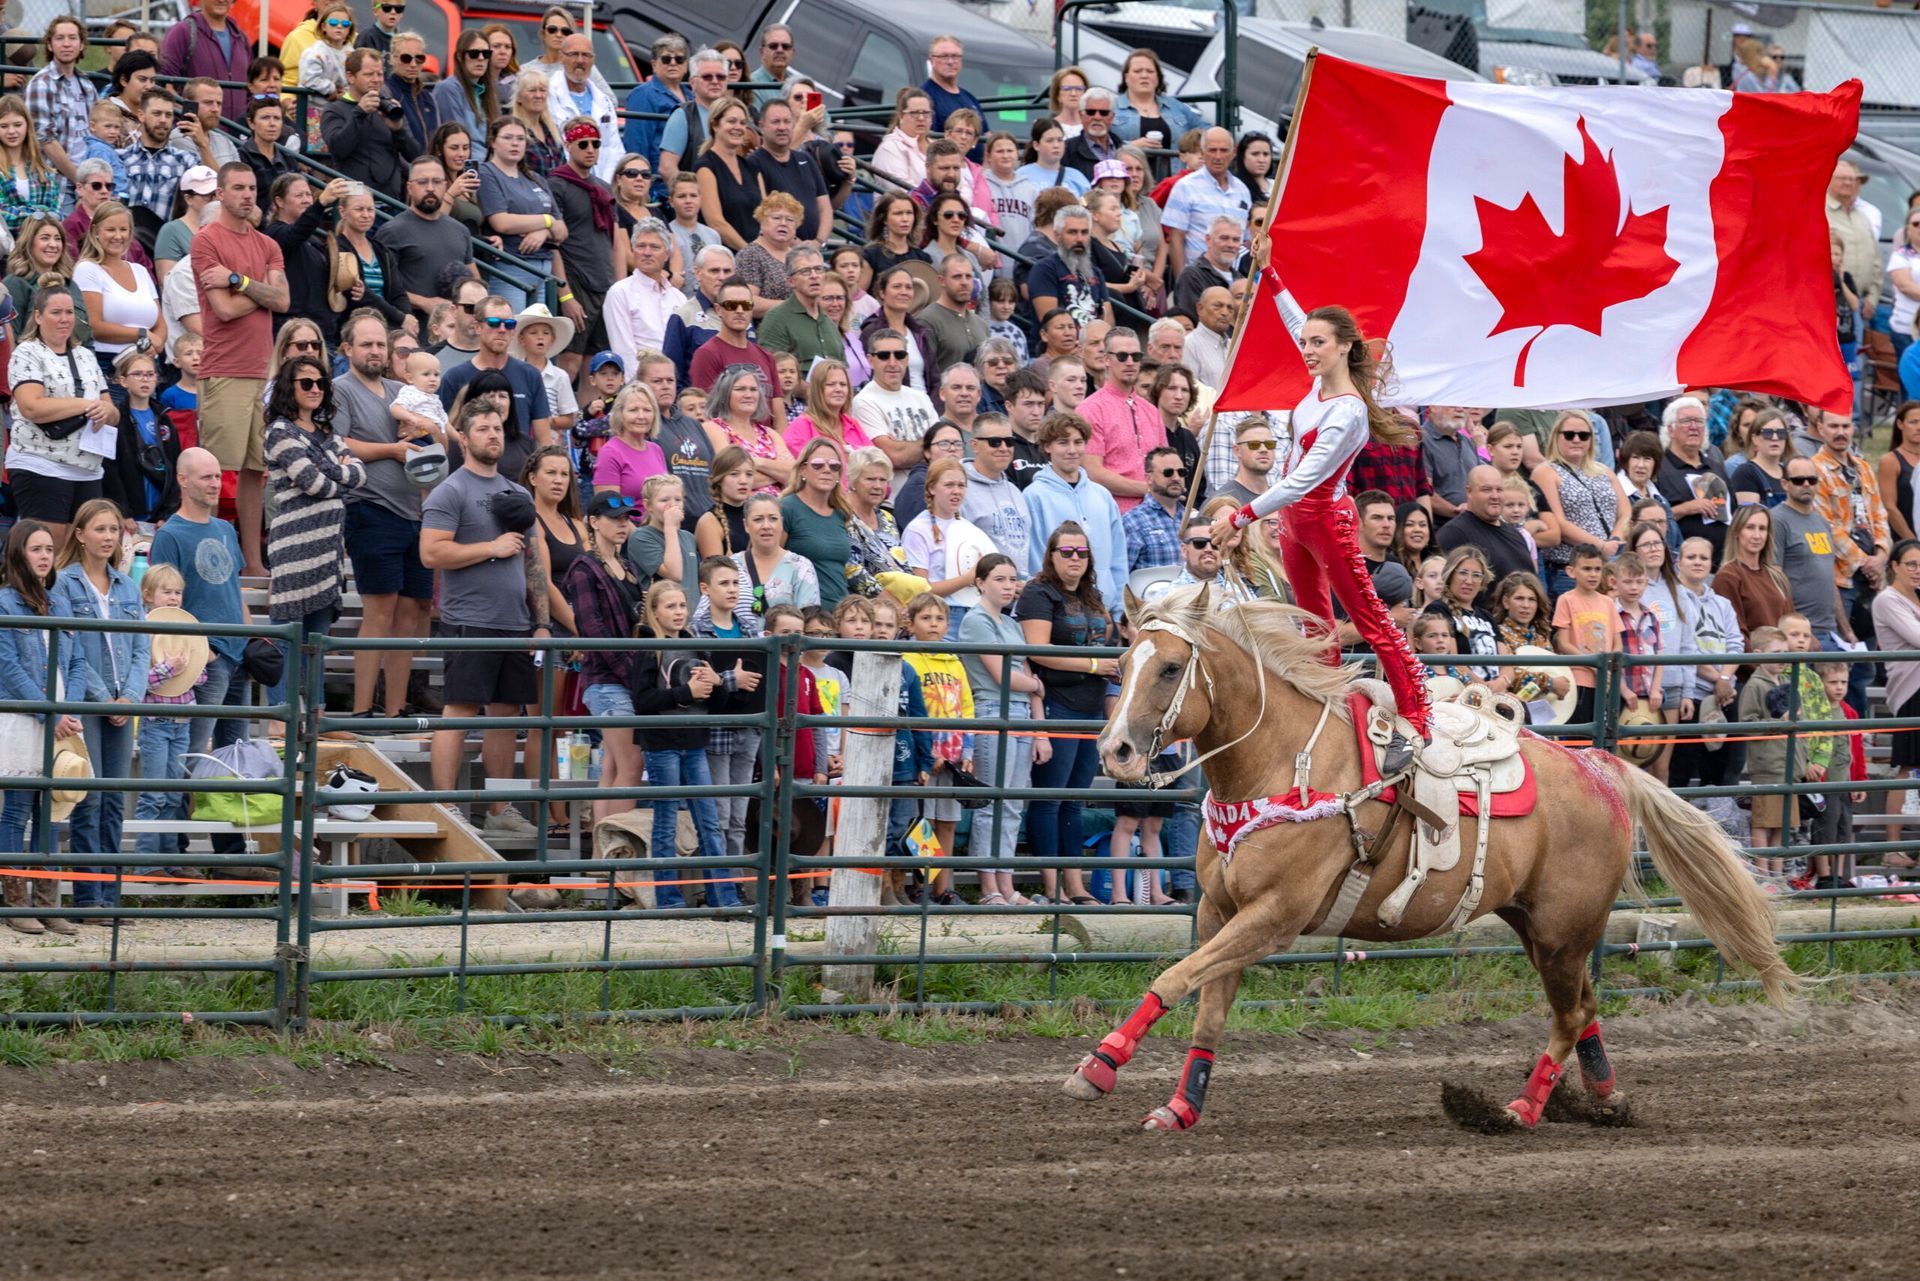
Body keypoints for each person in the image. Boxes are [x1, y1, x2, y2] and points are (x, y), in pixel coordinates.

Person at [1207, 292, 1430, 745]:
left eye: (1318, 343)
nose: (1307, 350)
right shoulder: (1318, 384)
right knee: (1313, 623)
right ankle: (1328, 705)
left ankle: (1418, 713)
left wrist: (1239, 518)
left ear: (1344, 346)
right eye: (1305, 342)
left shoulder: (1347, 410)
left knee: (1372, 620)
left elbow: (1300, 482)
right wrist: (1271, 277)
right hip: (1295, 522)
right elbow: (1296, 321)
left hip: (1327, 519)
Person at [421, 400, 550, 837]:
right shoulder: (450, 491)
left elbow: (533, 563)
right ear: (464, 437)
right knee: (458, 711)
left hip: (515, 622)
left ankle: (499, 808)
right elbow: (431, 552)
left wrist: (543, 622)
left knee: (506, 717)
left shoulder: (519, 494)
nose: (493, 435)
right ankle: (443, 806)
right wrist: (489, 548)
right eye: (483, 429)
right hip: (469, 619)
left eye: (498, 428)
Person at [48, 500, 147, 919]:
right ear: (80, 534)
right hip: (86, 702)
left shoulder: (126, 586)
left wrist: (131, 696)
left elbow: (143, 644)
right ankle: (89, 897)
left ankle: (111, 893)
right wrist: (102, 695)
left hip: (123, 701)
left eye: (114, 530)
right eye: (100, 529)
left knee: (113, 799)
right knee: (89, 797)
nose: (108, 537)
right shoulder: (64, 584)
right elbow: (68, 647)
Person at [335, 310, 433, 721]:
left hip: (416, 512)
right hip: (371, 508)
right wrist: (392, 450)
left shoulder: (401, 389)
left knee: (411, 615)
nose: (375, 351)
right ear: (347, 349)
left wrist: (424, 430)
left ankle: (395, 709)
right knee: (379, 610)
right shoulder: (339, 389)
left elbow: (434, 432)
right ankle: (361, 710)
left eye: (380, 345)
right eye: (366, 344)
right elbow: (337, 442)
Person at [193, 163, 289, 578]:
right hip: (225, 370)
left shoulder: (268, 244)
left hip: (262, 373)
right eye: (238, 188)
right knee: (214, 473)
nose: (248, 195)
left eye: (252, 188)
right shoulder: (205, 241)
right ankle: (206, 562)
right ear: (220, 193)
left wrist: (241, 281)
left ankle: (253, 562)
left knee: (256, 471)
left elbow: (283, 301)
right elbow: (225, 309)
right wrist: (264, 292)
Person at [629, 578, 741, 909]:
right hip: (661, 742)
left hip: (694, 741)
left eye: (682, 605)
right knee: (665, 819)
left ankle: (724, 898)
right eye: (670, 606)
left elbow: (715, 702)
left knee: (709, 821)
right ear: (654, 612)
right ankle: (668, 899)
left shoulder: (695, 643)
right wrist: (685, 694)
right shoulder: (648, 647)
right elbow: (642, 700)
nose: (678, 612)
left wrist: (718, 683)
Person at [0, 520, 88, 935]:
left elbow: (78, 659)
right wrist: (46, 710)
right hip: (24, 717)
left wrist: (67, 708)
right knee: (17, 811)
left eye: (49, 549)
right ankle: (16, 904)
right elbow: (7, 665)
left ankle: (48, 903)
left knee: (51, 813)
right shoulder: (4, 602)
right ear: (19, 553)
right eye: (36, 549)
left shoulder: (60, 603)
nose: (44, 556)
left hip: (58, 718)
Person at [263, 352, 367, 703]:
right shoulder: (279, 431)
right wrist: (339, 472)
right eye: (306, 383)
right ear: (288, 388)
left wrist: (334, 472)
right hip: (294, 546)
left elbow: (361, 474)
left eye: (320, 383)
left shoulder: (327, 431)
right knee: (289, 632)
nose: (315, 389)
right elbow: (313, 483)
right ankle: (281, 712)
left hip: (328, 548)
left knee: (318, 638)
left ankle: (316, 712)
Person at [1019, 521, 1113, 905]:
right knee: (1050, 798)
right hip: (1056, 702)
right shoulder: (1038, 593)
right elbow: (1037, 649)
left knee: (1075, 799)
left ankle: (1075, 885)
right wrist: (1094, 665)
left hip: (1090, 707)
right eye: (1067, 552)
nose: (1075, 559)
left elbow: (1109, 636)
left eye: (1082, 552)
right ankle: (1052, 885)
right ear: (1052, 555)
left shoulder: (1092, 595)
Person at [148, 447, 251, 758]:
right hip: (204, 658)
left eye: (218, 476)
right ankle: (179, 808)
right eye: (206, 477)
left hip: (237, 655)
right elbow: (161, 603)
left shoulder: (225, 529)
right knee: (193, 751)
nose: (215, 483)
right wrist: (203, 653)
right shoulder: (170, 535)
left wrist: (251, 639)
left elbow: (236, 586)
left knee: (236, 753)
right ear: (183, 480)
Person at [958, 553, 1044, 906]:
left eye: (1012, 580)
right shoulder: (975, 621)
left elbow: (1023, 675)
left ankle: (1006, 884)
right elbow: (1003, 676)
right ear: (980, 582)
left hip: (1021, 712)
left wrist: (1040, 729)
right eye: (999, 579)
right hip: (993, 709)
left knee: (1012, 803)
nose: (1008, 586)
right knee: (992, 801)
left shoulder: (1012, 625)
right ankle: (988, 885)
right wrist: (1035, 685)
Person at [563, 489, 651, 828]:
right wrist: (633, 673)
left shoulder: (625, 565)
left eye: (626, 518)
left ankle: (606, 855)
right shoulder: (584, 568)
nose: (622, 524)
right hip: (607, 678)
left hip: (617, 677)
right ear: (593, 522)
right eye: (614, 518)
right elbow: (592, 630)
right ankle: (615, 850)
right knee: (630, 763)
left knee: (614, 766)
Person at [7, 284, 117, 541]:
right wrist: (84, 405)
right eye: (56, 312)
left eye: (69, 312)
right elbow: (31, 406)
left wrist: (106, 411)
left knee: (82, 549)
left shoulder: (86, 356)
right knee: (49, 547)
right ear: (38, 316)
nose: (64, 319)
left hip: (88, 467)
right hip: (42, 464)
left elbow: (112, 411)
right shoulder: (27, 352)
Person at [438, 294, 555, 482]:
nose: (502, 329)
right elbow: (442, 433)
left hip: (519, 476)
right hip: (469, 477)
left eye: (508, 324)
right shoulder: (455, 377)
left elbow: (543, 438)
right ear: (477, 327)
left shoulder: (530, 374)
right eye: (494, 323)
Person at [1024, 411, 1128, 614]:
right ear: (1047, 447)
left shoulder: (1103, 495)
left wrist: (1119, 611)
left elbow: (1118, 557)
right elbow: (1036, 559)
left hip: (1103, 611)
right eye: (1063, 442)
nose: (1072, 450)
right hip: (1057, 611)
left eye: (1078, 442)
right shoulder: (1034, 496)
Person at [1535, 408, 1627, 598]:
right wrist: (1600, 546)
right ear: (1556, 437)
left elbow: (1626, 512)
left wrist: (1615, 540)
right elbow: (1557, 522)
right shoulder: (1545, 472)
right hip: (1570, 571)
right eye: (1569, 435)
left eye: (1584, 435)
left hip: (1609, 567)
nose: (1577, 440)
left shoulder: (1604, 471)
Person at [321, 48, 419, 200]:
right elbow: (338, 148)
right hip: (356, 202)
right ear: (350, 77)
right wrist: (360, 112)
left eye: (379, 74)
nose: (376, 79)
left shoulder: (388, 108)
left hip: (391, 200)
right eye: (368, 74)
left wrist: (398, 130)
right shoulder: (334, 110)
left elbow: (414, 155)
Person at [76, 199, 162, 365]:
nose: (118, 236)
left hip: (148, 366)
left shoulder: (140, 271)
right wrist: (142, 334)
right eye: (110, 229)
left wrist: (156, 342)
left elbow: (160, 323)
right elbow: (94, 326)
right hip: (108, 364)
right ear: (95, 231)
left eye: (123, 229)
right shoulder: (87, 269)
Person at [1161, 128, 1250, 279]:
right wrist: (1183, 282)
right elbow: (1176, 239)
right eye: (1212, 150)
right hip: (1197, 280)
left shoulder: (1243, 190)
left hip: (1234, 282)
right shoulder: (1185, 186)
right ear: (1202, 152)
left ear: (1233, 153)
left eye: (1223, 150)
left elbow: (1245, 239)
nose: (1218, 156)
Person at [779, 438, 854, 609]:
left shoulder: (841, 512)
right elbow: (767, 561)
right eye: (818, 464)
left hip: (838, 614)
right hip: (802, 613)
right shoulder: (787, 508)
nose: (827, 470)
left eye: (834, 466)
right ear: (803, 470)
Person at [1654, 396, 1731, 554]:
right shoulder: (1659, 468)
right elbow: (1648, 521)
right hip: (1679, 560)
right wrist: (1686, 508)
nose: (1694, 427)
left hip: (1722, 560)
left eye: (1699, 421)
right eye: (1687, 421)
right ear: (1670, 429)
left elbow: (1734, 512)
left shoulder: (1717, 467)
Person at [546, 33, 621, 182]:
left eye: (586, 55)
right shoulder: (548, 95)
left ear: (593, 60)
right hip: (565, 182)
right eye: (574, 54)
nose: (580, 60)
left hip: (601, 184)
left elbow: (614, 149)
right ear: (561, 57)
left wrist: (606, 187)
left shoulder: (603, 101)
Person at [695, 99, 763, 253]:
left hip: (758, 254)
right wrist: (750, 252)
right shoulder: (705, 167)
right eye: (731, 121)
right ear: (715, 125)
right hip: (725, 258)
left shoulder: (752, 167)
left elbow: (766, 215)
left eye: (742, 123)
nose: (738, 127)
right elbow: (716, 222)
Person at [593, 381, 669, 513]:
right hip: (630, 529)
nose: (641, 416)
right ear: (620, 414)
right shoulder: (610, 452)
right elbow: (608, 510)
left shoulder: (656, 450)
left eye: (647, 410)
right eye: (633, 410)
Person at [433, 30, 499, 163]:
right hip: (466, 167)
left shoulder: (488, 91)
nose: (481, 58)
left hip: (488, 165)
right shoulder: (447, 89)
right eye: (474, 54)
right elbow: (457, 143)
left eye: (486, 54)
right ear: (459, 57)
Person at [0, 93, 59, 234]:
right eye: (4, 126)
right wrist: (39, 214)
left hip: (39, 248)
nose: (12, 131)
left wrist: (30, 215)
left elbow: (56, 213)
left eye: (17, 125)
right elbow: (3, 214)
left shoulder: (41, 169)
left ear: (27, 126)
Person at [694, 446, 756, 559]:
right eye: (734, 474)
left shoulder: (756, 516)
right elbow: (715, 574)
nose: (743, 481)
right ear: (719, 479)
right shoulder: (709, 522)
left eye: (749, 474)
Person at [384, 31, 441, 151]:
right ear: (393, 59)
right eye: (406, 58)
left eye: (419, 58)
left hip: (431, 165)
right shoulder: (386, 93)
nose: (413, 64)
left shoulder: (428, 98)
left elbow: (437, 140)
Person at [873, 88, 935, 192]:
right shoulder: (890, 148)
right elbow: (902, 190)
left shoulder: (938, 146)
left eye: (926, 113)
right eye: (914, 113)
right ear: (901, 116)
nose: (921, 118)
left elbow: (960, 183)